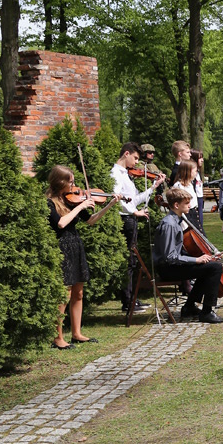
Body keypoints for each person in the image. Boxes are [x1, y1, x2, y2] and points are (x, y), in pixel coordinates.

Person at [47, 165, 121, 349]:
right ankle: (58, 338)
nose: (74, 185)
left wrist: (110, 205)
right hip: (61, 247)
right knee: (64, 295)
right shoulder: (49, 202)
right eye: (70, 181)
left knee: (78, 293)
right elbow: (61, 223)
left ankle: (77, 333)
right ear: (60, 182)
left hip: (75, 246)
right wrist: (80, 206)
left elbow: (91, 221)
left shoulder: (71, 200)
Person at [153, 186, 223, 324]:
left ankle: (189, 307)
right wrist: (196, 259)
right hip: (167, 269)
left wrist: (202, 257)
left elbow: (178, 252)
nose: (190, 206)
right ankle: (207, 312)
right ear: (176, 205)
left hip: (173, 266)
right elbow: (169, 257)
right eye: (186, 203)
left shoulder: (177, 221)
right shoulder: (169, 224)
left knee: (208, 266)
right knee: (215, 268)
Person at [111, 142, 164, 314]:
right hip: (126, 220)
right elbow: (117, 199)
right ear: (126, 154)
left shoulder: (126, 174)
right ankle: (127, 302)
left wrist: (154, 187)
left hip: (131, 218)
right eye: (135, 158)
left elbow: (134, 199)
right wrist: (135, 212)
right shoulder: (116, 173)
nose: (136, 163)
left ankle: (132, 299)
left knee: (132, 262)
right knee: (129, 262)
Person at [170, 141, 204, 230]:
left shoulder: (189, 182)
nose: (190, 155)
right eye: (188, 152)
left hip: (194, 211)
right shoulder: (177, 173)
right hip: (187, 216)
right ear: (180, 154)